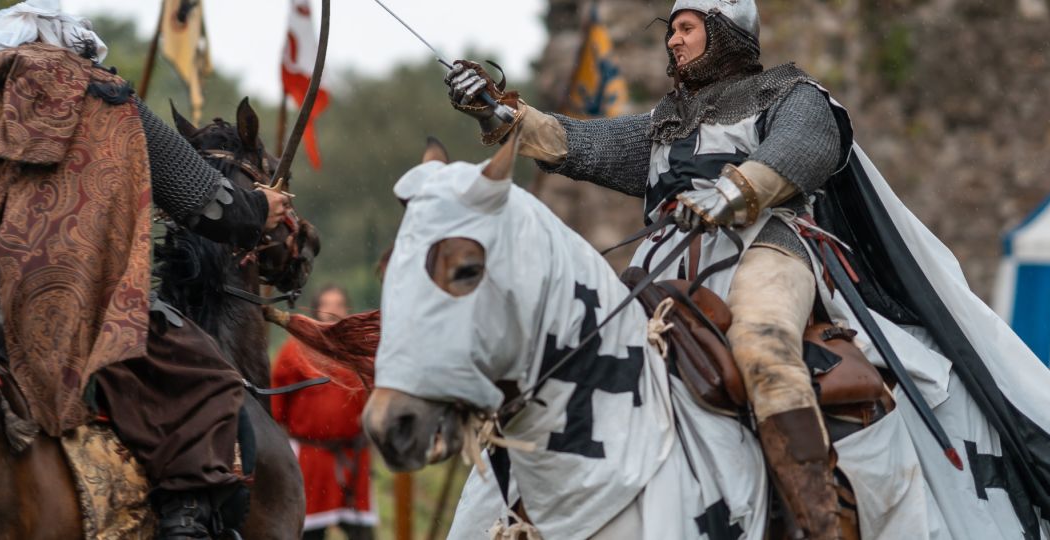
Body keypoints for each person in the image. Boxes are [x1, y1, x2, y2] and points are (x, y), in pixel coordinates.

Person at [447, 1, 847, 536]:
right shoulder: (665, 124)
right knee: (576, 364)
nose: (674, 41)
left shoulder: (789, 94)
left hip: (766, 250)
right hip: (662, 265)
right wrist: (497, 110)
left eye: (687, 29)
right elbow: (573, 142)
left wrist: (732, 192)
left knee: (762, 348)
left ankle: (818, 519)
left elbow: (804, 147)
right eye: (672, 31)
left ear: (726, 35)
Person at [0, 2, 292, 538]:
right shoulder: (100, 93)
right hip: (65, 301)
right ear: (73, 43)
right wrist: (259, 210)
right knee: (204, 379)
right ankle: (187, 513)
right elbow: (205, 201)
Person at [273, 285, 376, 540]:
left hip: (353, 457)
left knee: (362, 533)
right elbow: (277, 404)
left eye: (339, 304)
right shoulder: (294, 350)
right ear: (317, 308)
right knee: (309, 531)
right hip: (311, 457)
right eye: (327, 304)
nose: (333, 309)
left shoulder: (359, 350)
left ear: (348, 310)